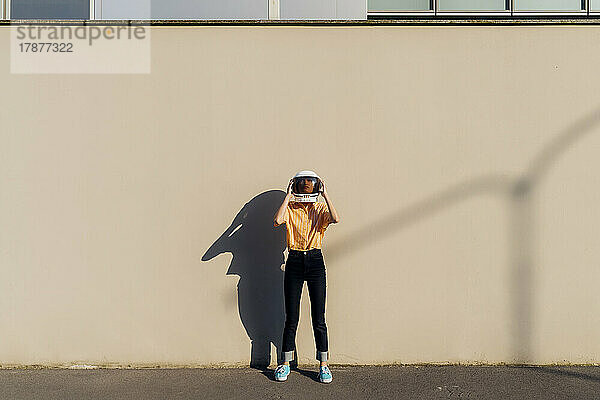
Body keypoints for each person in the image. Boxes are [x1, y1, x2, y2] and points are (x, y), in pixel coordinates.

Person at [272, 170, 340, 383]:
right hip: (293, 261)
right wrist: (288, 195)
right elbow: (277, 220)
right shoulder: (290, 209)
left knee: (319, 318)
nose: (306, 185)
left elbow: (336, 218)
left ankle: (324, 365)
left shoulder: (320, 209)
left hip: (315, 261)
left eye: (310, 183)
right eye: (303, 183)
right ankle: (285, 364)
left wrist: (325, 194)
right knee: (291, 318)